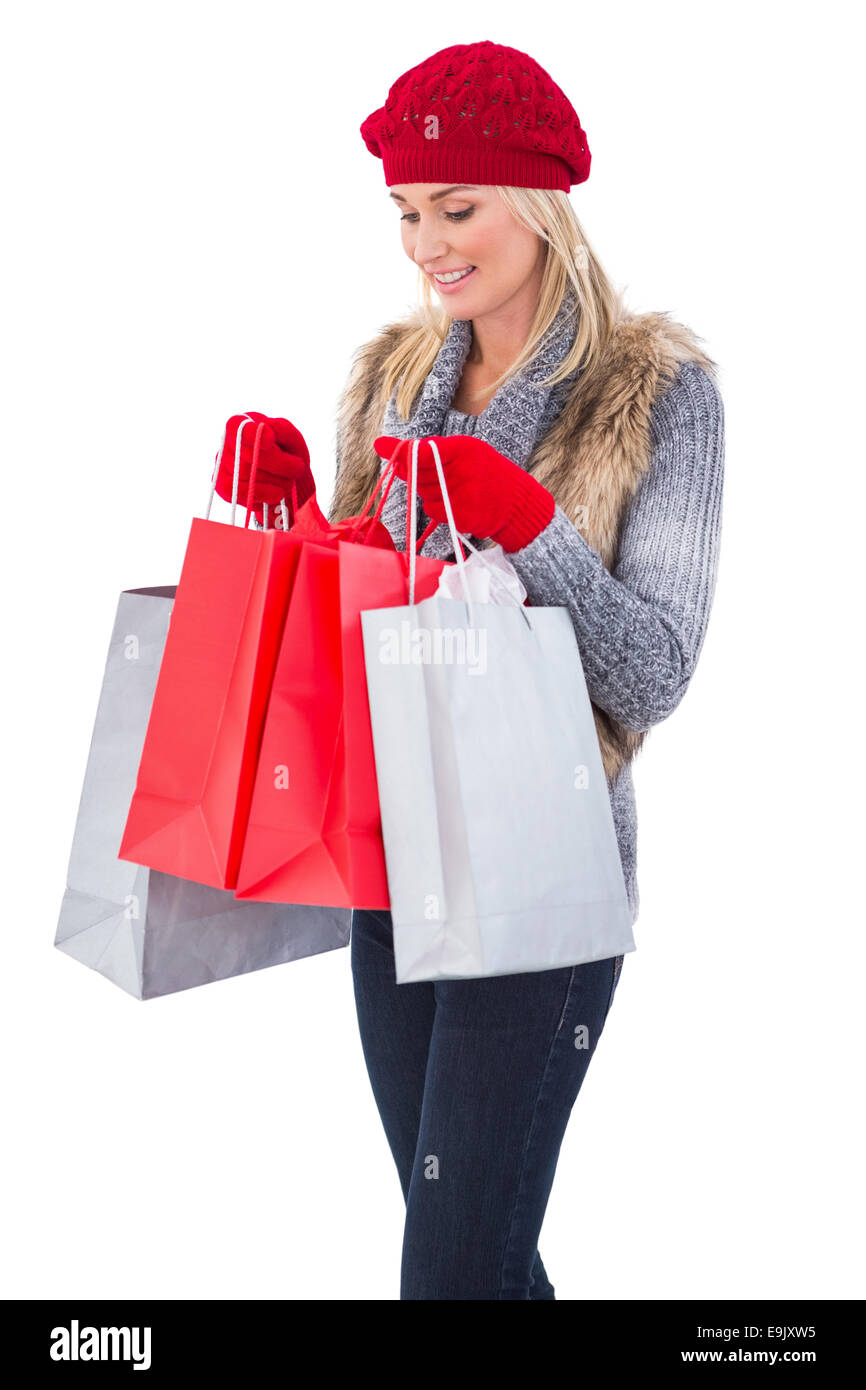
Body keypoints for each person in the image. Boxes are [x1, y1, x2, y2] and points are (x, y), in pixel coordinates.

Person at [233, 38, 725, 1300]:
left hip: (544, 882)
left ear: (542, 202)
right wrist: (291, 522)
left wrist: (529, 525)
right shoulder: (394, 379)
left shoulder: (656, 393)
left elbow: (654, 672)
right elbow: (355, 624)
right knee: (477, 1264)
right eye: (404, 211)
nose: (425, 243)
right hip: (390, 871)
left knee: (450, 1273)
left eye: (457, 207)